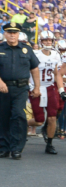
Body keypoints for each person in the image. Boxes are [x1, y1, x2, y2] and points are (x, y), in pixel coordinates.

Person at [0, 22, 41, 159]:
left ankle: (17, 148)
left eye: (15, 32)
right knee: (3, 118)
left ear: (18, 34)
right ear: (5, 33)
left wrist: (37, 87)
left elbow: (34, 69)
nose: (12, 35)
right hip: (2, 88)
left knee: (18, 116)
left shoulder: (26, 49)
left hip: (21, 88)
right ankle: (3, 148)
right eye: (9, 32)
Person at [29, 31, 66, 155]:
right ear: (41, 42)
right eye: (45, 40)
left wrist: (61, 90)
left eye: (49, 40)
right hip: (36, 88)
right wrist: (32, 87)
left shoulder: (56, 55)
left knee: (52, 117)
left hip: (50, 87)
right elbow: (28, 71)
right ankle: (19, 122)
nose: (48, 42)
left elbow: (56, 74)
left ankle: (49, 144)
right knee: (39, 120)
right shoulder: (35, 54)